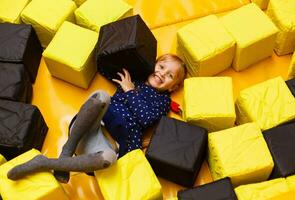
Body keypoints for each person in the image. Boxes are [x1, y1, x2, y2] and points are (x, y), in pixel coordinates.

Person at [7, 54, 186, 183]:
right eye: (161, 67)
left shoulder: (163, 101)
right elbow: (103, 66)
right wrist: (131, 60)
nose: (162, 73)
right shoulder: (134, 77)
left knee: (110, 159)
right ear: (152, 65)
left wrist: (129, 90)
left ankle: (45, 163)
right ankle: (67, 149)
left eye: (170, 75)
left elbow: (145, 117)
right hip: (87, 127)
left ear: (173, 87)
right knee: (102, 96)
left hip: (104, 147)